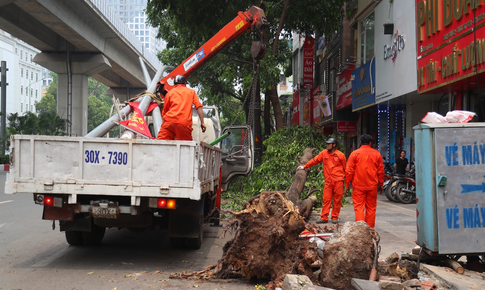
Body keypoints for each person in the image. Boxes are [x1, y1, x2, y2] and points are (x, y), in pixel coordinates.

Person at [297, 138, 346, 224]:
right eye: (327, 143)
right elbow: (315, 160)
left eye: (329, 144)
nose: (327, 145)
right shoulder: (324, 153)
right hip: (328, 181)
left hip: (338, 181)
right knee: (326, 199)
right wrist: (305, 166)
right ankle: (324, 217)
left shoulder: (340, 155)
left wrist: (347, 182)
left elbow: (346, 168)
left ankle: (335, 217)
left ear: (334, 145)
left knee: (337, 200)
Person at [345, 134, 384, 229]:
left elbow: (349, 171)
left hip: (358, 186)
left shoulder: (355, 153)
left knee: (359, 208)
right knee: (371, 208)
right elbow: (381, 171)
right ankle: (370, 230)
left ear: (360, 142)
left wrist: (346, 185)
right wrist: (381, 184)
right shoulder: (376, 154)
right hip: (372, 186)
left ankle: (360, 229)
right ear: (370, 143)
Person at [157, 75, 206, 140]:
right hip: (183, 123)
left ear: (174, 83)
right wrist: (202, 122)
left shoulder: (169, 93)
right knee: (186, 147)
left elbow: (165, 112)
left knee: (160, 144)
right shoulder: (191, 92)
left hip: (169, 122)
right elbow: (198, 107)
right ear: (185, 83)